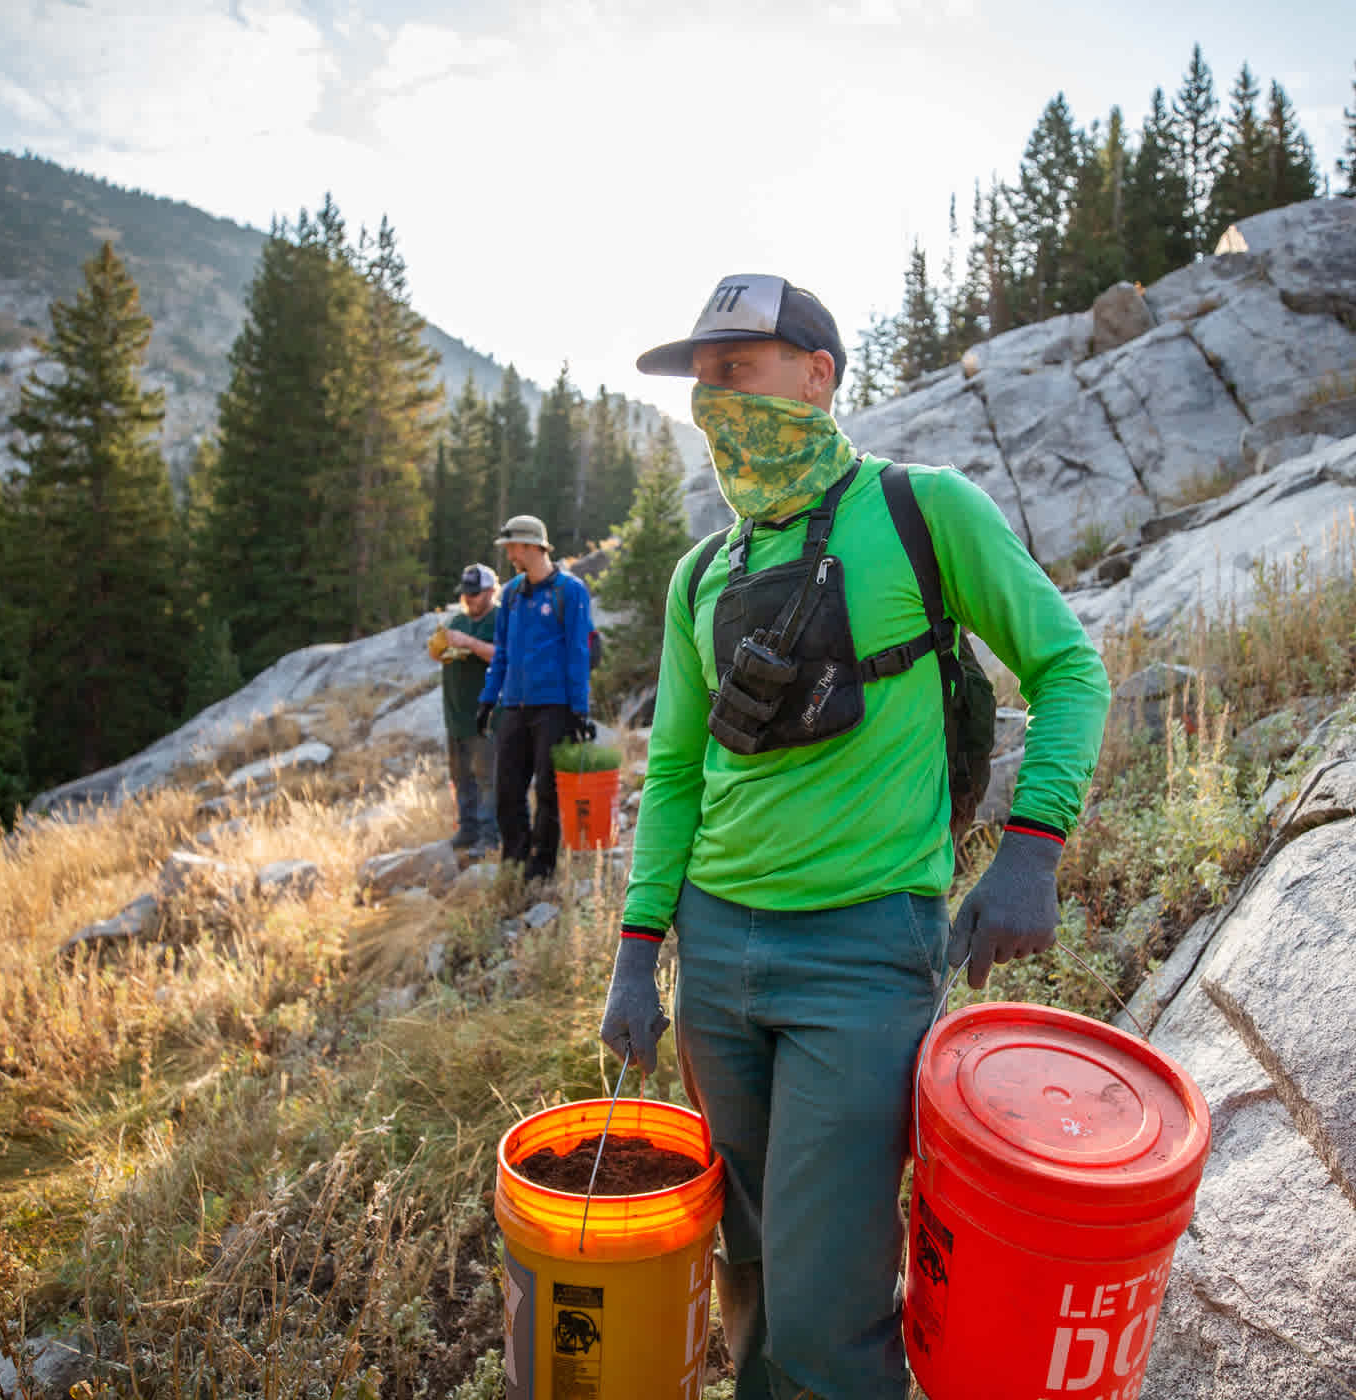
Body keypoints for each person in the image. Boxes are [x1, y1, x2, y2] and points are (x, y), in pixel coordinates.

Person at [598, 274, 1108, 1399]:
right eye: (704, 379)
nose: (717, 396)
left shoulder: (924, 510)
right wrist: (641, 950)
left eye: (740, 367)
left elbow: (1070, 666)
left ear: (818, 374)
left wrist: (1032, 846)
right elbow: (677, 771)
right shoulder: (704, 570)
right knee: (757, 1265)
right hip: (715, 958)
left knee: (829, 1306)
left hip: (861, 953)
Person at [476, 514, 595, 883]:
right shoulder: (510, 594)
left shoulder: (570, 592)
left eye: (513, 547)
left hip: (555, 709)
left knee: (548, 791)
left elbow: (579, 653)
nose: (509, 554)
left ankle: (541, 869)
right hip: (514, 707)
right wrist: (487, 699)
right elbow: (501, 653)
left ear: (532, 546)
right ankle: (514, 861)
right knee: (508, 791)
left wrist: (579, 711)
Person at [432, 562, 501, 856]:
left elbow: (502, 655)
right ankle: (467, 830)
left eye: (475, 593)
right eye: (466, 594)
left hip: (486, 716)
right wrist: (439, 648)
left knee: (487, 778)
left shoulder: (499, 619)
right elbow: (441, 653)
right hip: (455, 715)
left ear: (490, 591)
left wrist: (470, 643)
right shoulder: (457, 621)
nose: (469, 599)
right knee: (461, 777)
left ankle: (489, 837)